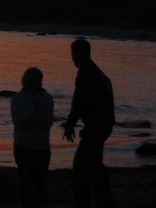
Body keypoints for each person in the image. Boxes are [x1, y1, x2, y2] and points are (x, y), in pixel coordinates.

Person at [62, 39, 115, 208]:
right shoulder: (96, 72)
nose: (72, 59)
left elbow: (79, 102)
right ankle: (91, 201)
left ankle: (98, 202)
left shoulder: (86, 73)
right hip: (101, 125)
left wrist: (70, 123)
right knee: (85, 165)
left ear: (79, 54)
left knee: (90, 167)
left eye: (73, 55)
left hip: (97, 126)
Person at [10, 67, 54, 208]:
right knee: (26, 182)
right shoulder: (17, 98)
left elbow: (48, 123)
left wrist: (40, 114)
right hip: (23, 145)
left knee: (40, 183)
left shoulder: (47, 98)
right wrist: (33, 113)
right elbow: (18, 122)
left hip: (42, 146)